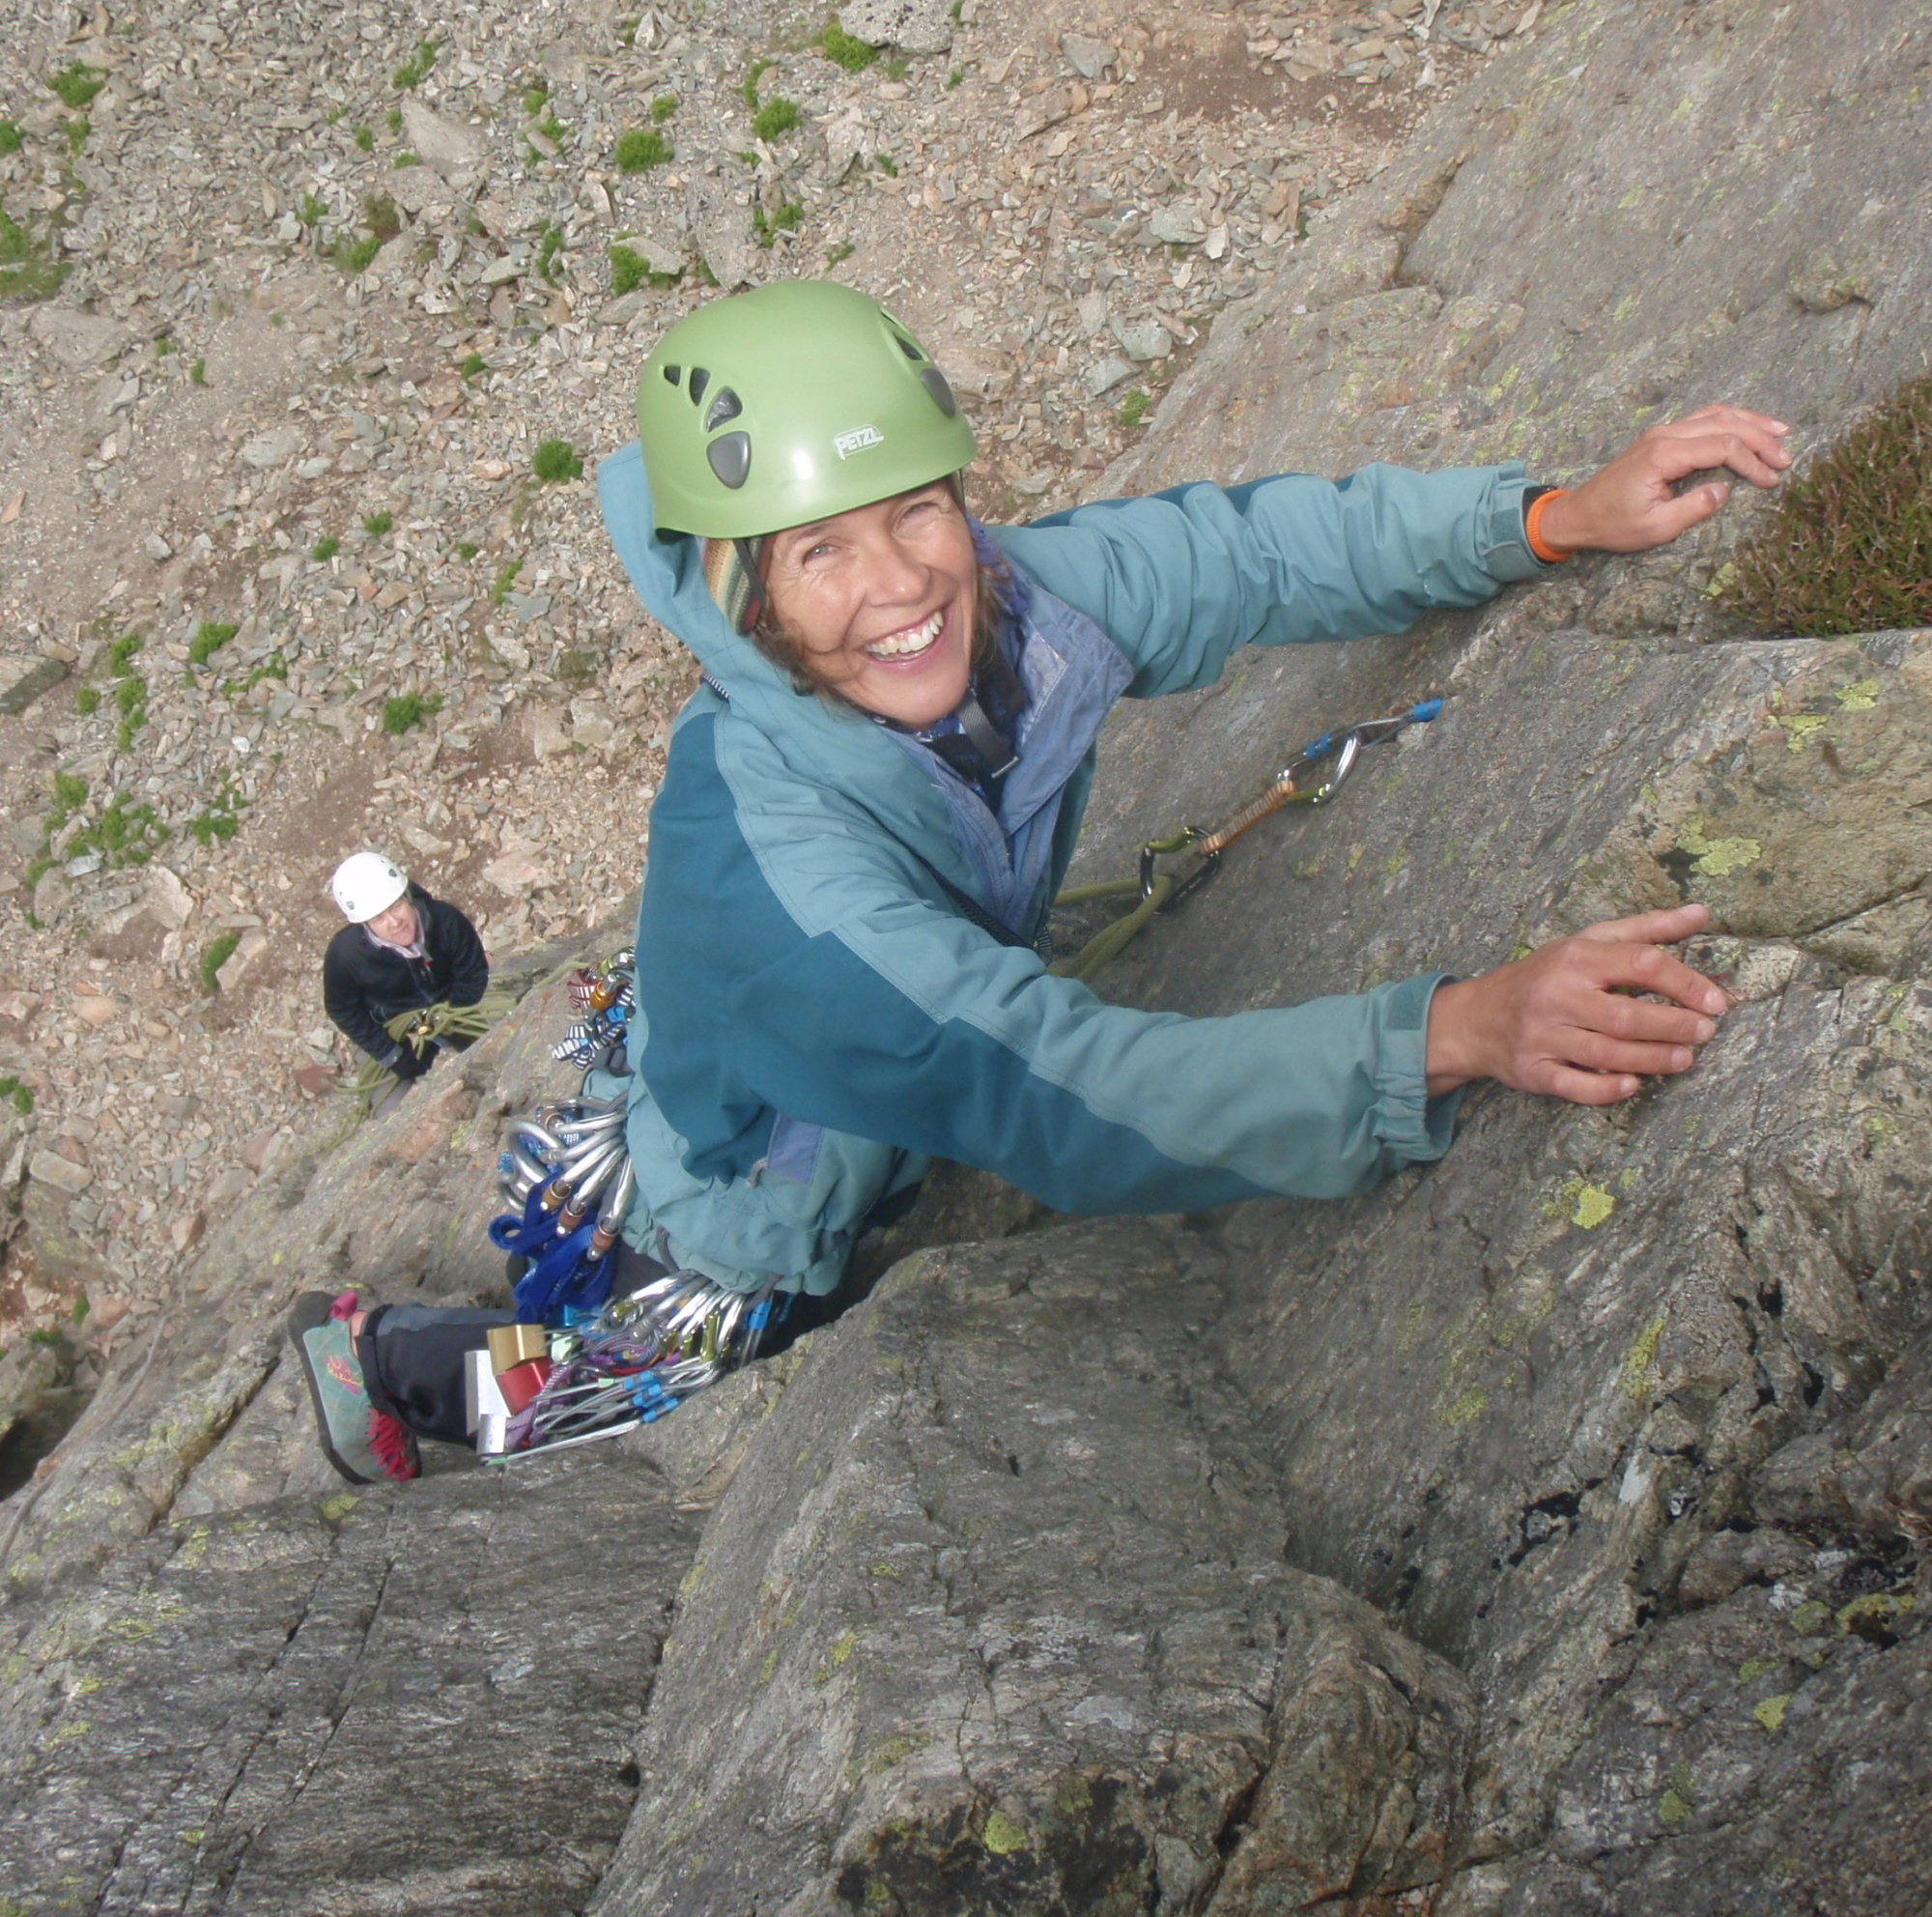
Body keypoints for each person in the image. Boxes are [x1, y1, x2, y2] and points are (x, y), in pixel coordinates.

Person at [291, 280, 1788, 1484]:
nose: (902, 584)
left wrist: (1544, 519)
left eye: (917, 513)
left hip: (851, 1015)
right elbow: (1070, 1096)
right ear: (744, 594)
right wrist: (1457, 1030)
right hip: (753, 1173)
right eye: (821, 552)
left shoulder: (1010, 599)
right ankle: (378, 1366)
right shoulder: (797, 901)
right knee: (622, 1371)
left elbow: (1249, 555)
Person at [321, 851, 489, 1098]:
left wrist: (450, 1019)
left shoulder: (444, 921)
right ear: (365, 924)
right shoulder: (346, 955)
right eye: (379, 918)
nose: (394, 922)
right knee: (389, 1110)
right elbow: (342, 1010)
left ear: (407, 896)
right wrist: (392, 1054)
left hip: (451, 1008)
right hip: (390, 1028)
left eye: (396, 906)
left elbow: (472, 973)